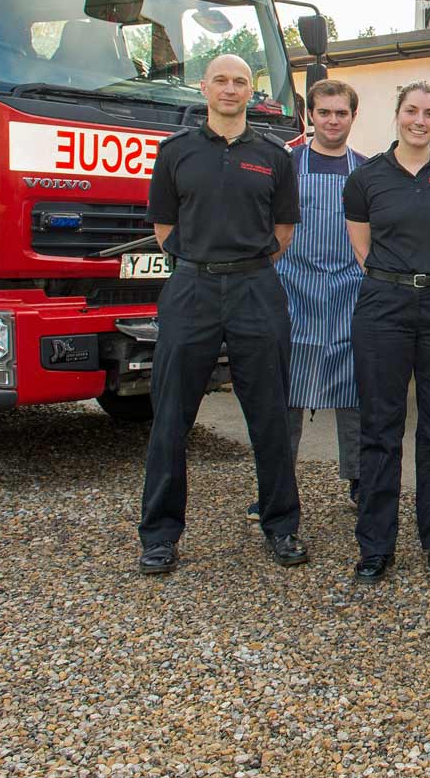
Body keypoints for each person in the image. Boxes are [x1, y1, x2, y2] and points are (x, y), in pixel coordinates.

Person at [137, 54, 304, 576]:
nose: (230, 90)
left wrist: (242, 265)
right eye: (221, 81)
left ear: (250, 92)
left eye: (240, 82)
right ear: (204, 87)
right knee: (170, 415)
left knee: (270, 412)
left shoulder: (273, 156)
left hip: (256, 285)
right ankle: (160, 535)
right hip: (192, 288)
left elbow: (283, 232)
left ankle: (281, 525)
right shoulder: (176, 152)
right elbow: (165, 227)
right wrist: (203, 263)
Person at [343, 82, 430, 584]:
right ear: (397, 114)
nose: (419, 120)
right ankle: (376, 545)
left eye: (429, 113)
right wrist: (401, 280)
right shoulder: (366, 178)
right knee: (380, 426)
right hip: (384, 305)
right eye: (411, 111)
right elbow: (363, 248)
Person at [257, 79, 365, 524]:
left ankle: (362, 481)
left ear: (352, 117)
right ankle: (277, 486)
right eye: (325, 113)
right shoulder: (285, 164)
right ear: (310, 117)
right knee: (284, 392)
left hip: (350, 289)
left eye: (341, 113)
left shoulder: (366, 170)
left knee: (357, 389)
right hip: (292, 289)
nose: (333, 120)